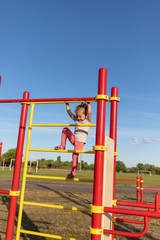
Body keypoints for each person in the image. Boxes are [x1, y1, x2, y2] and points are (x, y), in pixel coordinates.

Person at [55, 102, 91, 178]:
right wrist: (67, 104)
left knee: (75, 155)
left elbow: (90, 112)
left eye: (80, 116)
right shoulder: (76, 120)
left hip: (80, 142)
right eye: (77, 116)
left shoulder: (87, 121)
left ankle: (73, 173)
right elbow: (69, 112)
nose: (79, 118)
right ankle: (62, 145)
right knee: (65, 129)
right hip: (74, 138)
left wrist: (88, 103)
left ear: (85, 115)